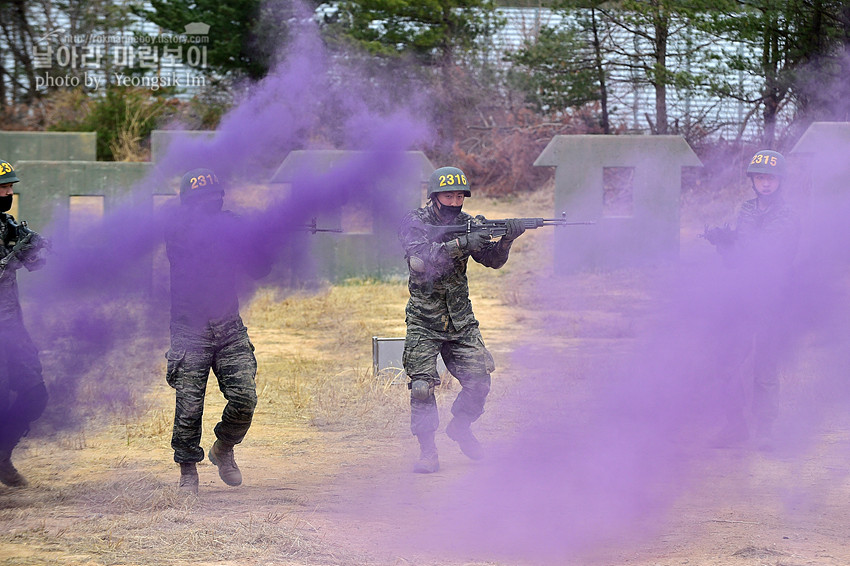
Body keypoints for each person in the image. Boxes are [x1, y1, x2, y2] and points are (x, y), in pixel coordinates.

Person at [398, 166, 526, 473]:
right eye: (448, 195)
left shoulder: (471, 224)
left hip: (461, 320)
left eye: (460, 195)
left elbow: (492, 261)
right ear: (434, 197)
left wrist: (506, 240)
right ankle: (428, 451)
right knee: (421, 387)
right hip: (424, 319)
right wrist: (462, 245)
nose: (455, 201)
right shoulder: (415, 222)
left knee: (480, 382)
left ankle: (461, 427)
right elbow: (419, 261)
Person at [165, 168, 271, 494]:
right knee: (189, 407)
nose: (211, 204)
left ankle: (224, 448)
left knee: (245, 398)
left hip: (228, 328)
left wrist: (259, 242)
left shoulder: (231, 225)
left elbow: (259, 270)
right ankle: (187, 471)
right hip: (190, 330)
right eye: (203, 201)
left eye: (216, 198)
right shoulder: (178, 230)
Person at [703, 149, 800, 450]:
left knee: (765, 368)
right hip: (742, 297)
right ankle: (735, 427)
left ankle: (766, 431)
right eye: (760, 178)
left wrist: (735, 244)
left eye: (770, 178)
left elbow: (769, 252)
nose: (765, 184)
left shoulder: (787, 215)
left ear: (780, 181)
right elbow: (738, 261)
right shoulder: (745, 210)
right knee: (725, 363)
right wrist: (723, 245)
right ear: (753, 181)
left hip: (772, 299)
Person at [0, 159, 49, 487]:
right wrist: (11, 258)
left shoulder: (5, 225)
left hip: (11, 328)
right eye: (2, 187)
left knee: (35, 394)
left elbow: (35, 262)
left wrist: (34, 250)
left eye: (10, 188)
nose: (7, 193)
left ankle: (2, 453)